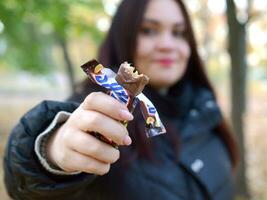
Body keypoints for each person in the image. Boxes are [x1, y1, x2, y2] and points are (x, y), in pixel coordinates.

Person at [4, 0, 239, 199]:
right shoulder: (96, 107)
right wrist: (52, 152)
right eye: (148, 30)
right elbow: (25, 179)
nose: (168, 45)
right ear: (123, 36)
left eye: (178, 32)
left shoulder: (205, 108)